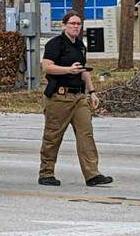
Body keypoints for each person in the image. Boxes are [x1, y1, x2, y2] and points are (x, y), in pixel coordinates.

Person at [38, 11, 112, 187]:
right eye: (72, 23)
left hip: (79, 97)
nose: (76, 27)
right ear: (64, 25)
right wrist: (68, 70)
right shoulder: (55, 44)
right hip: (59, 97)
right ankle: (46, 173)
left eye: (78, 24)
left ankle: (92, 174)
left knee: (86, 134)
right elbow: (47, 67)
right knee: (53, 136)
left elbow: (83, 70)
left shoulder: (80, 46)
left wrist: (92, 92)